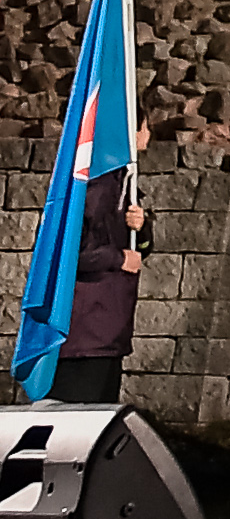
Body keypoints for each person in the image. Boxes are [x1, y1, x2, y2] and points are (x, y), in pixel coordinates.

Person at [55, 109, 149, 405]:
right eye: (145, 128)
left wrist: (142, 229)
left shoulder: (125, 185)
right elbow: (72, 250)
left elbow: (142, 249)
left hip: (108, 331)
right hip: (87, 332)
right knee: (74, 416)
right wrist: (118, 258)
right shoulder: (97, 185)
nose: (149, 136)